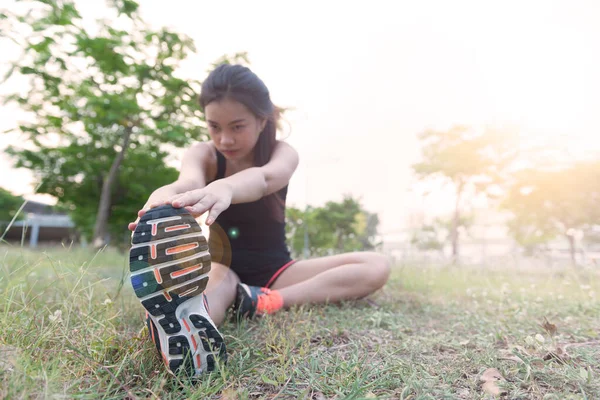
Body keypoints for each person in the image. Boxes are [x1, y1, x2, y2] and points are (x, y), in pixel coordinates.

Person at [127, 64, 391, 377]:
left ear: (262, 120)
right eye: (214, 127)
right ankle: (176, 327)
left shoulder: (282, 153)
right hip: (222, 268)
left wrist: (224, 187)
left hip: (277, 272)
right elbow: (185, 182)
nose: (225, 139)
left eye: (237, 127)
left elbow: (264, 180)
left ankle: (263, 302)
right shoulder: (203, 154)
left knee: (377, 265)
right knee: (208, 296)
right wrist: (158, 204)